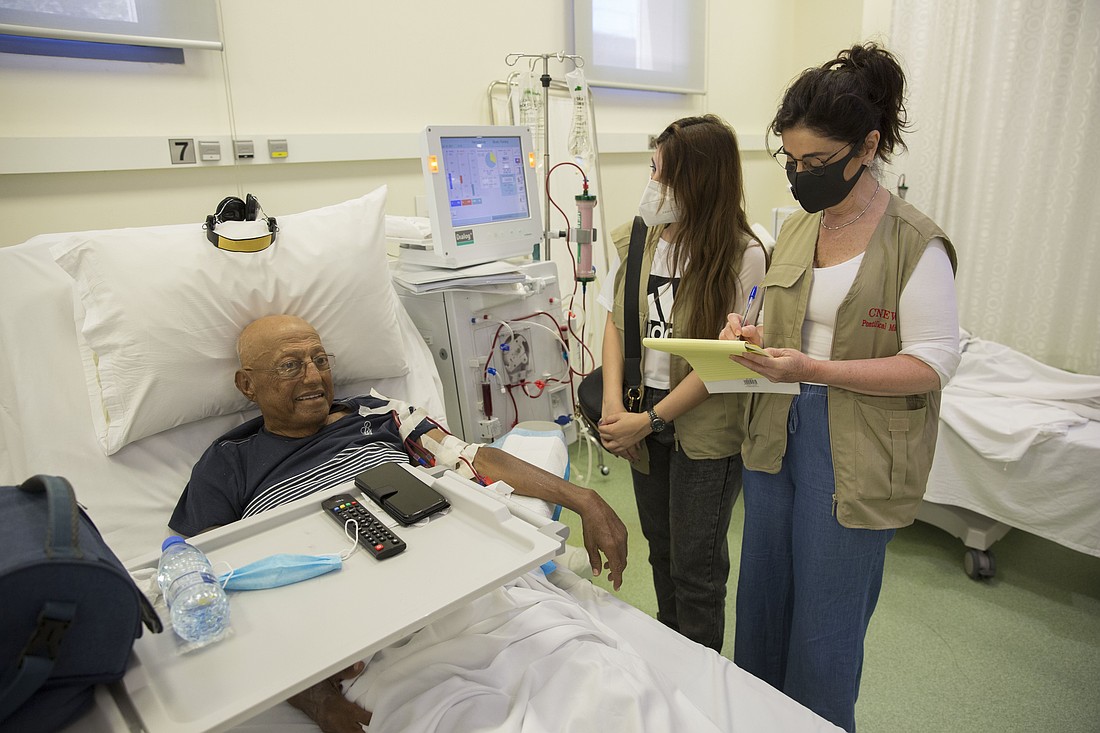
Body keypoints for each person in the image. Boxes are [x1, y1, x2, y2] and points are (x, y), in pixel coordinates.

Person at [169, 314, 628, 733]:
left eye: (320, 360)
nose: (313, 376)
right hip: (355, 633)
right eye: (290, 366)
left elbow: (472, 459)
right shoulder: (227, 464)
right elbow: (207, 583)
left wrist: (584, 499)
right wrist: (314, 697)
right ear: (247, 384)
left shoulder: (378, 414)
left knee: (592, 685)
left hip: (460, 588)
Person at [718, 43, 960, 732]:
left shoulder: (917, 245)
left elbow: (934, 362)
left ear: (869, 146)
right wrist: (748, 335)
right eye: (791, 161)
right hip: (773, 438)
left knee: (823, 635)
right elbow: (775, 318)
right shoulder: (795, 230)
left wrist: (816, 371)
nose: (800, 175)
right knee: (760, 613)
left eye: (816, 164)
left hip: (852, 450)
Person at [596, 114, 767, 651]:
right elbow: (614, 318)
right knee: (662, 550)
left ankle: (700, 687)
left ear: (702, 182)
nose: (654, 187)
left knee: (696, 568)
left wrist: (650, 419)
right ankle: (670, 662)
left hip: (701, 422)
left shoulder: (744, 255)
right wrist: (612, 411)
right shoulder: (641, 240)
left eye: (666, 177)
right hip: (638, 409)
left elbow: (726, 361)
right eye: (652, 170)